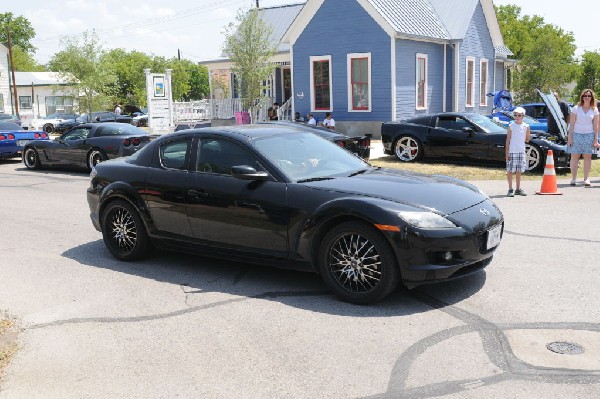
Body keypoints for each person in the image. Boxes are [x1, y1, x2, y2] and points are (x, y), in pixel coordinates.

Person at [567, 89, 599, 187]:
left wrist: (595, 139)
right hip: (576, 134)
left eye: (589, 96)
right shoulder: (576, 108)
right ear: (582, 97)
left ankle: (586, 179)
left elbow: (596, 125)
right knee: (574, 156)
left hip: (589, 135)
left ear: (592, 98)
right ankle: (573, 178)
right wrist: (570, 137)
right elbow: (571, 124)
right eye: (585, 96)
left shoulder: (594, 109)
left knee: (587, 157)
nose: (587, 97)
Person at [505, 106, 531, 197]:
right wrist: (507, 153)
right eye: (515, 115)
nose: (517, 117)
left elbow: (527, 140)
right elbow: (508, 140)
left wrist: (528, 132)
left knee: (519, 171)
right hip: (512, 151)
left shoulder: (526, 126)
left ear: (523, 116)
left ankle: (518, 188)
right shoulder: (511, 126)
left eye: (519, 115)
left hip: (521, 150)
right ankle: (510, 189)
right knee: (510, 170)